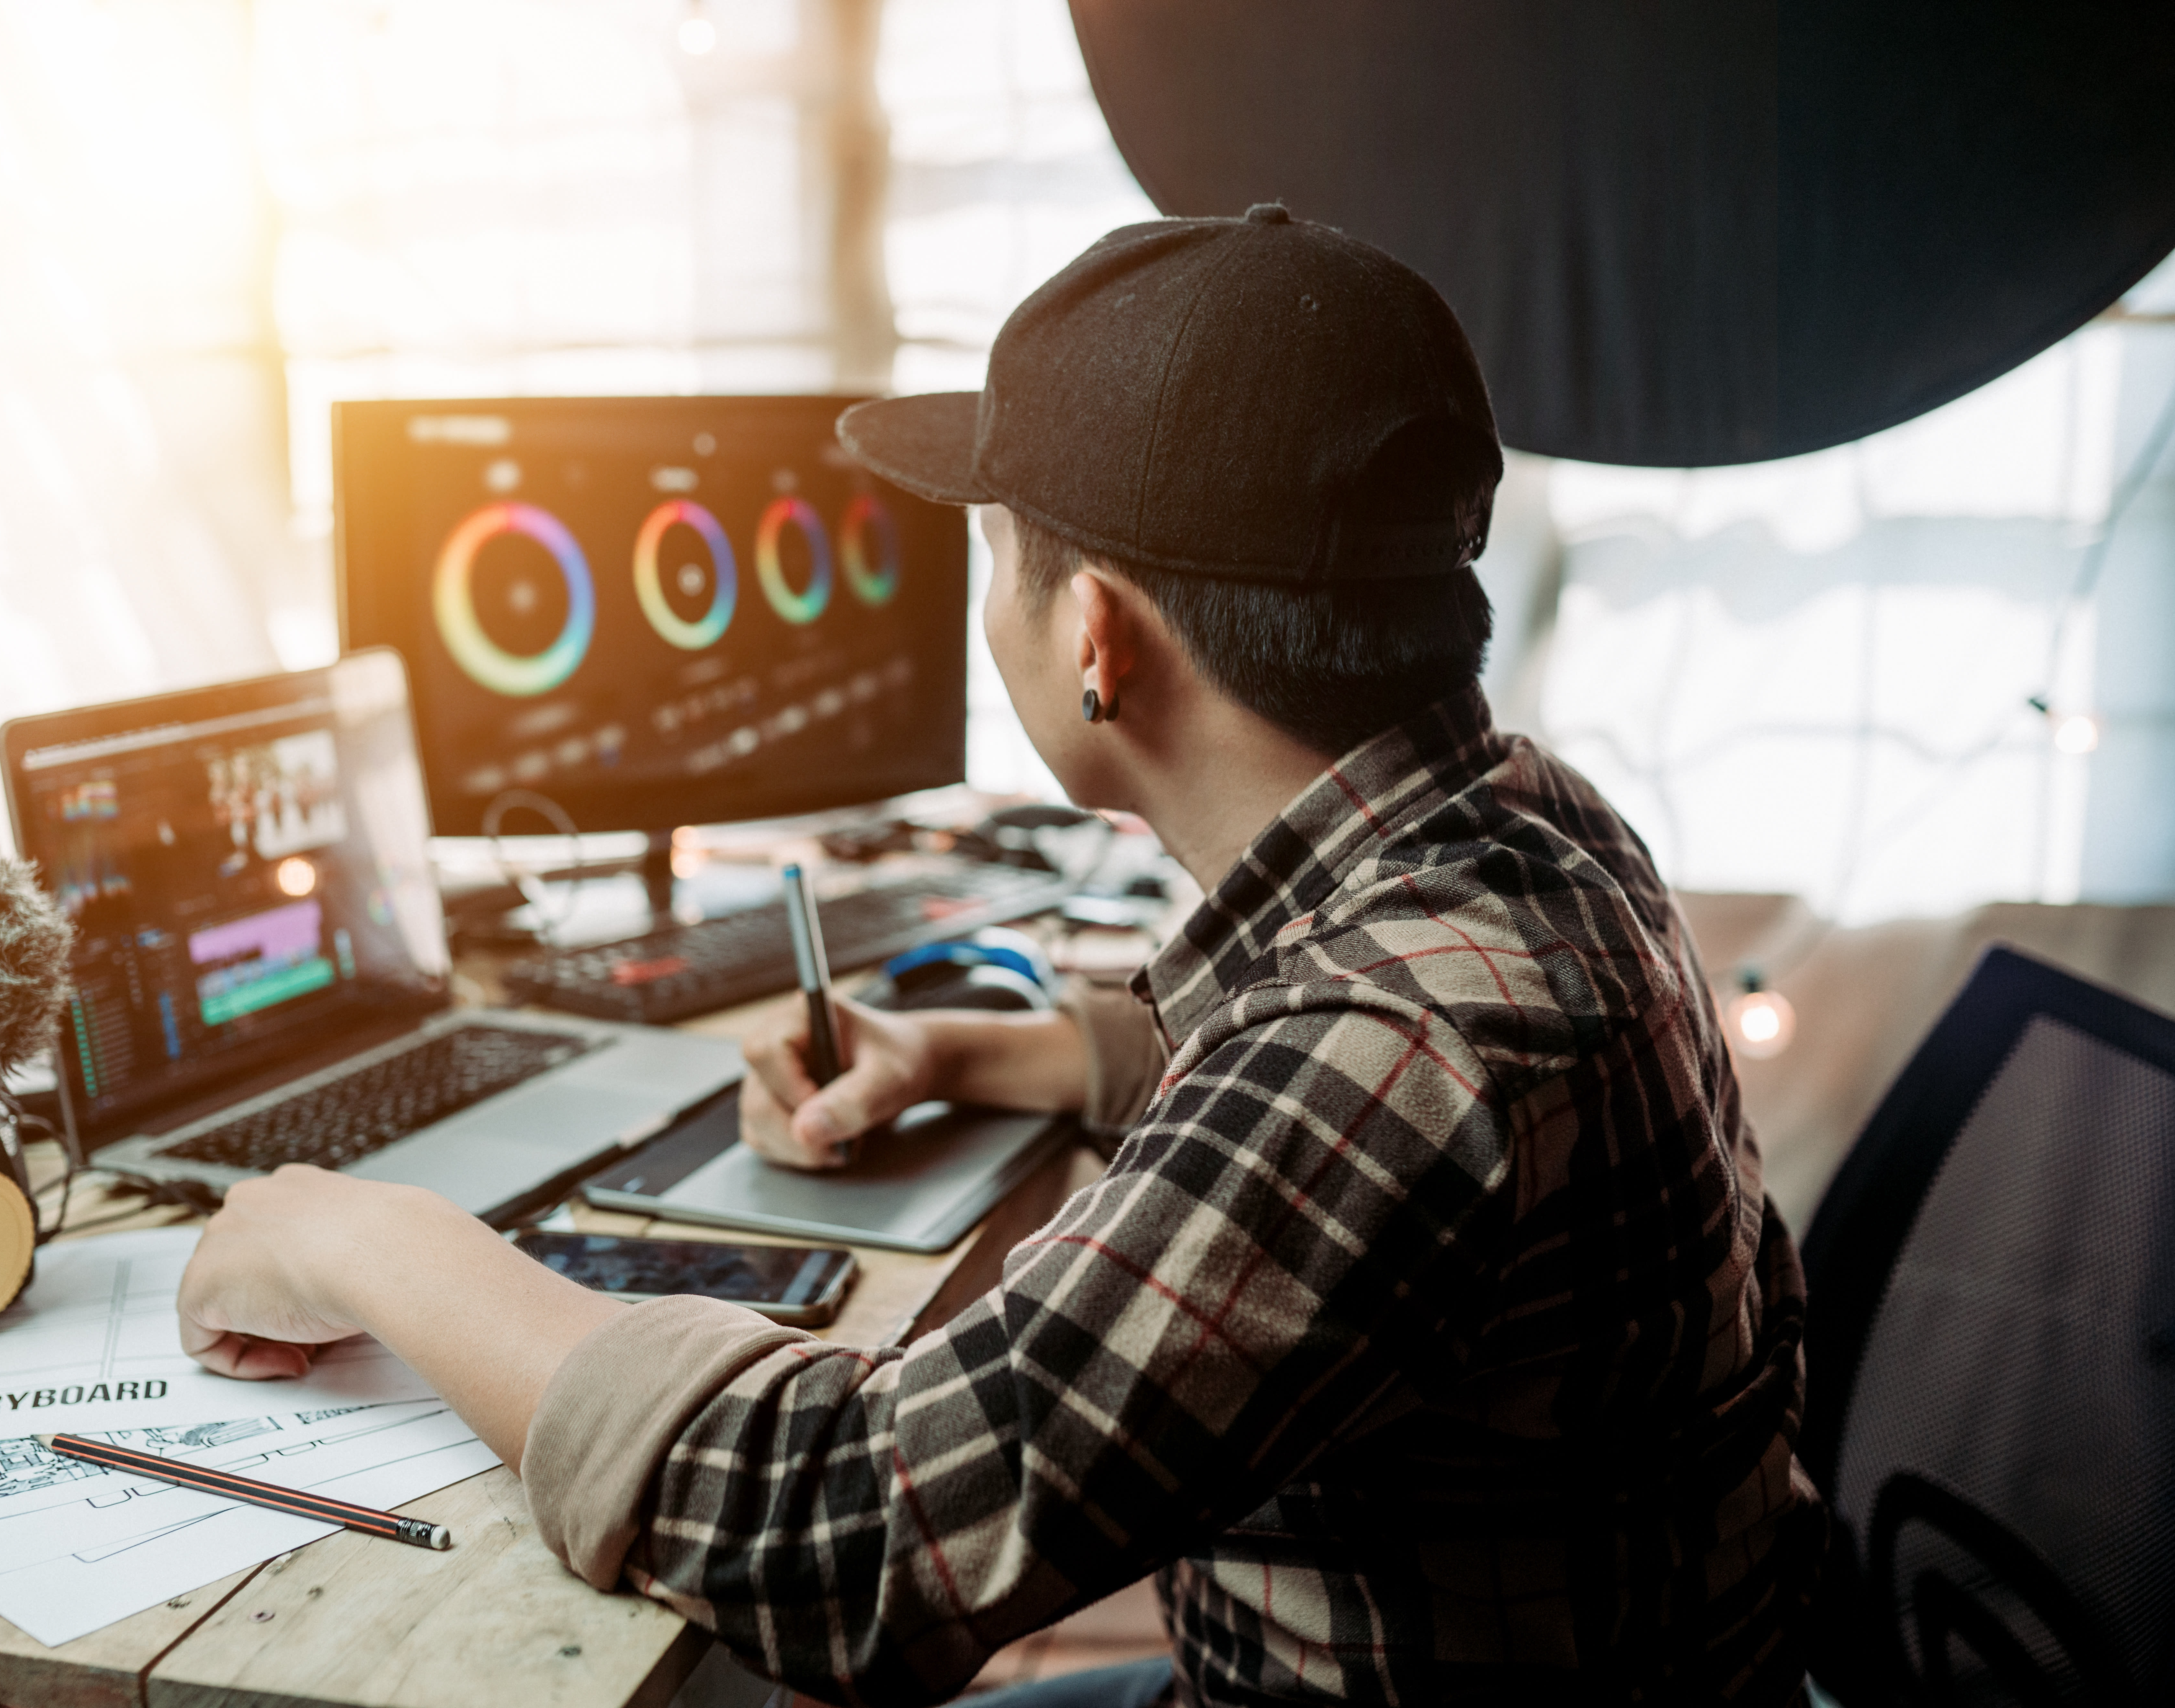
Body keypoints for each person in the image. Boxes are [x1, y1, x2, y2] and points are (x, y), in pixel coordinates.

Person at [175, 204, 1825, 1706]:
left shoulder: (1392, 1056)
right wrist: (982, 1049)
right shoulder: (1527, 824)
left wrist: (363, 1239)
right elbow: (1354, 1108)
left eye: (991, 548)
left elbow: (842, 1541)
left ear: (1093, 637)